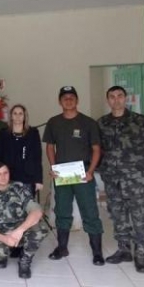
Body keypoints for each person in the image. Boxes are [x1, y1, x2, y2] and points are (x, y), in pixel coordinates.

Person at [98, 86, 144, 273]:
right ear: (107, 100)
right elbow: (97, 149)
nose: (116, 99)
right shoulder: (101, 124)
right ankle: (123, 249)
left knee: (140, 216)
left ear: (126, 99)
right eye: (112, 96)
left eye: (119, 96)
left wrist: (135, 161)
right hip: (112, 180)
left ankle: (140, 253)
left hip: (136, 181)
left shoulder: (140, 121)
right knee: (118, 215)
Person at [43, 86, 105, 265]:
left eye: (72, 97)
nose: (68, 100)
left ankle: (97, 252)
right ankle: (62, 247)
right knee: (62, 210)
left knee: (90, 211)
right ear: (59, 101)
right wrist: (54, 166)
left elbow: (96, 149)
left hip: (83, 174)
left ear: (77, 100)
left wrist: (91, 171)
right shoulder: (54, 122)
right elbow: (49, 146)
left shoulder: (88, 123)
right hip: (62, 174)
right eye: (64, 97)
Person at [0, 162, 48, 279]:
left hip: (19, 228)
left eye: (5, 173)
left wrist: (20, 230)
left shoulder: (19, 187)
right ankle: (5, 253)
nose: (3, 177)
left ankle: (25, 260)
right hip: (0, 231)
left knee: (40, 228)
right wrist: (4, 238)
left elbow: (37, 211)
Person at [0, 104, 43, 195]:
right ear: (11, 116)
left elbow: (37, 157)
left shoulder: (33, 133)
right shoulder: (4, 134)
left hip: (28, 177)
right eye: (15, 113)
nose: (17, 116)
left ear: (25, 116)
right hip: (8, 177)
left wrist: (38, 180)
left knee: (27, 206)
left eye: (20, 114)